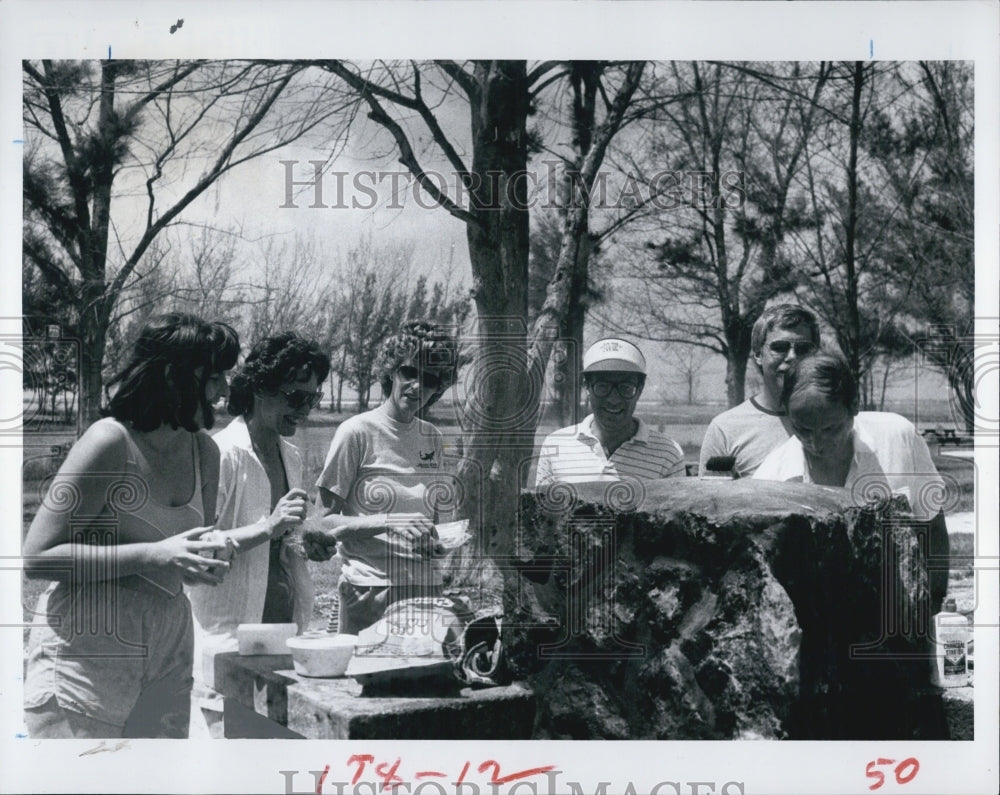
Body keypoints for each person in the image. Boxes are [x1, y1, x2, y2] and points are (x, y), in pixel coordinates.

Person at [22, 313, 239, 739]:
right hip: (87, 647)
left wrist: (209, 558)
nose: (225, 391)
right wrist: (155, 554)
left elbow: (188, 552)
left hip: (169, 646)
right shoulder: (109, 441)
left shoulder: (205, 453)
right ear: (174, 377)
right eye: (215, 377)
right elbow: (37, 557)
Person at [185, 332, 330, 736]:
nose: (303, 411)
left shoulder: (292, 456)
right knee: (229, 755)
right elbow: (198, 549)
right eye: (295, 397)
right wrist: (269, 525)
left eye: (312, 399)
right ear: (261, 387)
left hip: (281, 632)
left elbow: (280, 543)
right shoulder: (224, 453)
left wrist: (305, 542)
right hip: (227, 635)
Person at [754, 350, 949, 606]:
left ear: (854, 405)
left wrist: (934, 603)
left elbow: (932, 524)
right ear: (787, 413)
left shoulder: (897, 438)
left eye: (830, 429)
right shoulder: (771, 477)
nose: (816, 442)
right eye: (803, 429)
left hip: (897, 613)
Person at [309, 321, 458, 634]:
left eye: (429, 379)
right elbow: (320, 524)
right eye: (410, 372)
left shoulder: (431, 436)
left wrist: (440, 543)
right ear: (392, 371)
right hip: (370, 590)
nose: (418, 386)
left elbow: (438, 522)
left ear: (439, 387)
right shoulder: (357, 432)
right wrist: (389, 522)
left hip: (425, 590)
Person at [534, 338, 685, 486]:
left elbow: (675, 510)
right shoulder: (555, 445)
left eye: (625, 388)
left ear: (640, 389)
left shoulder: (669, 453)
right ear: (587, 387)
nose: (613, 399)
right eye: (602, 387)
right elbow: (541, 509)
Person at [699, 304, 821, 478]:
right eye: (779, 347)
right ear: (758, 354)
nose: (792, 357)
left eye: (803, 349)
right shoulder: (726, 429)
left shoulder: (833, 423)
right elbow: (712, 500)